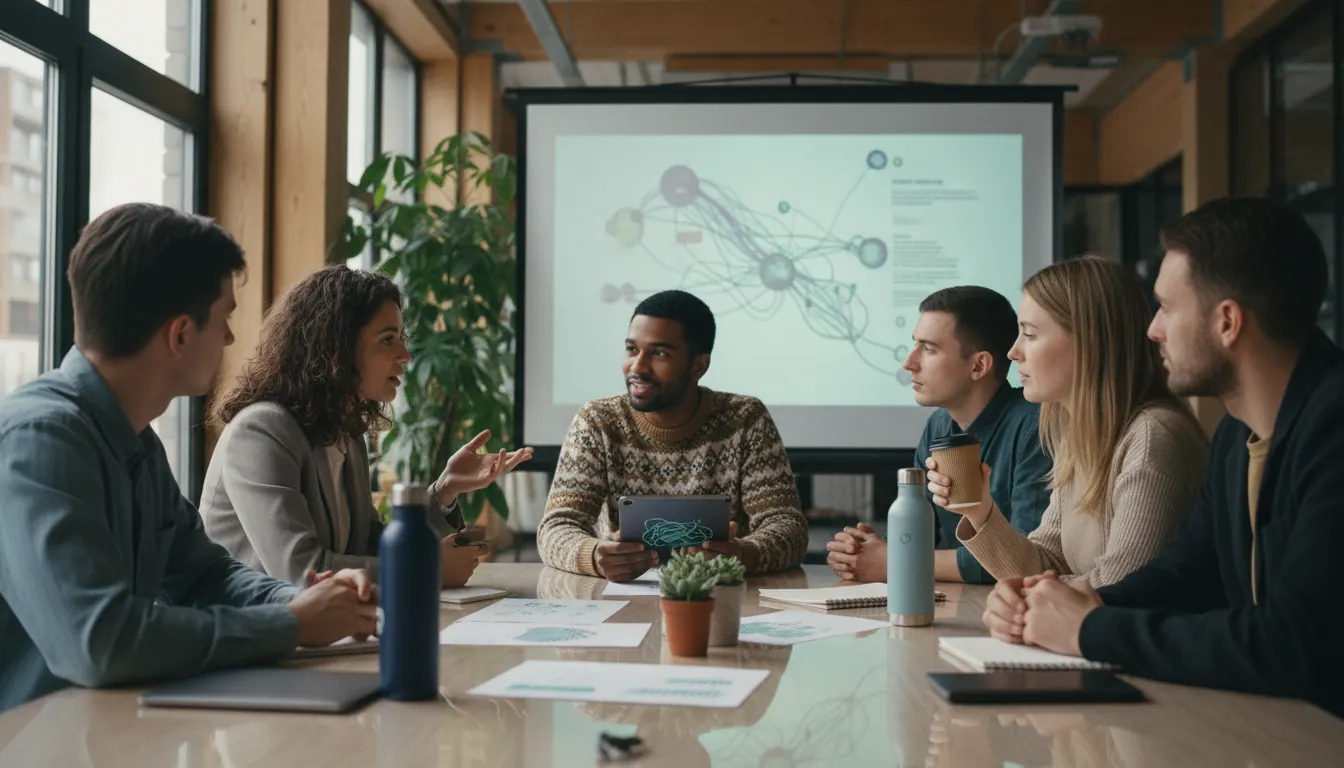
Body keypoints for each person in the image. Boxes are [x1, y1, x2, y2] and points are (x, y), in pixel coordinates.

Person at [0, 204, 375, 713]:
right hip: (30, 738)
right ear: (180, 334)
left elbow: (203, 574)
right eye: (224, 319)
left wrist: (298, 601)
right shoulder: (39, 441)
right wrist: (290, 625)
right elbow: (100, 641)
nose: (229, 339)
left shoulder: (136, 439)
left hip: (101, 728)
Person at [985, 198, 1344, 717]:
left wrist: (1088, 628)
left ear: (1227, 322)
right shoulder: (1235, 437)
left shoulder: (1332, 429)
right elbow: (1183, 574)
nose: (1152, 329)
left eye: (1168, 309)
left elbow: (1295, 640)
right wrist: (1062, 604)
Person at [201, 265, 532, 587]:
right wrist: (423, 567)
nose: (405, 355)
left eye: (401, 338)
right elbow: (301, 570)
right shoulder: (261, 431)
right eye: (388, 340)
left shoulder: (346, 432)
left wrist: (445, 490)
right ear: (335, 347)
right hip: (252, 636)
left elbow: (370, 546)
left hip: (318, 633)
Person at [934, 256, 1207, 587]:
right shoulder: (1081, 435)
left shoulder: (1153, 438)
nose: (1012, 352)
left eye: (1030, 334)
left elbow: (1121, 587)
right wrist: (980, 511)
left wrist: (1026, 600)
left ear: (1089, 341)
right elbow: (1046, 563)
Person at [538, 290, 808, 582]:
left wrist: (743, 554)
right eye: (632, 349)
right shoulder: (597, 421)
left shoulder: (745, 419)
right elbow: (556, 526)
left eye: (659, 353)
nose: (637, 367)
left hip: (722, 596)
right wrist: (593, 555)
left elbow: (788, 528)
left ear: (698, 365)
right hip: (620, 601)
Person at [826, 287, 1053, 584]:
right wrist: (866, 551)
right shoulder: (938, 425)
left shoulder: (1036, 426)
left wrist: (899, 562)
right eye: (914, 345)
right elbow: (917, 537)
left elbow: (1027, 560)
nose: (909, 363)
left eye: (929, 349)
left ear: (979, 365)